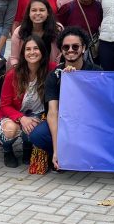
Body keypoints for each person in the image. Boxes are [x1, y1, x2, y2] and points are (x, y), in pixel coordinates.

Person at [34, 28, 103, 170]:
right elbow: (52, 113)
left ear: (83, 48)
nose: (70, 50)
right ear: (61, 50)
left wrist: (76, 79)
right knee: (38, 135)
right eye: (66, 47)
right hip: (64, 122)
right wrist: (57, 150)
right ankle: (58, 157)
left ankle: (85, 155)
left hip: (88, 123)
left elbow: (101, 105)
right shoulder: (54, 75)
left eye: (75, 46)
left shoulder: (96, 72)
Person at [0, 34, 55, 168]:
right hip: (13, 114)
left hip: (38, 114)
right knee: (9, 130)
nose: (32, 52)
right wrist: (21, 118)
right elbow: (5, 105)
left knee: (35, 128)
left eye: (36, 48)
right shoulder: (12, 75)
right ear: (23, 53)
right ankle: (7, 151)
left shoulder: (51, 69)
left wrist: (69, 69)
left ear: (42, 51)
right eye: (28, 49)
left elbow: (65, 70)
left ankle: (27, 148)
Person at [10, 0, 61, 67]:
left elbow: (59, 56)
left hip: (50, 71)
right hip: (25, 70)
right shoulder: (19, 32)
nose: (38, 13)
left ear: (48, 12)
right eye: (34, 10)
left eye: (42, 10)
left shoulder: (57, 30)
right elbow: (14, 59)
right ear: (29, 13)